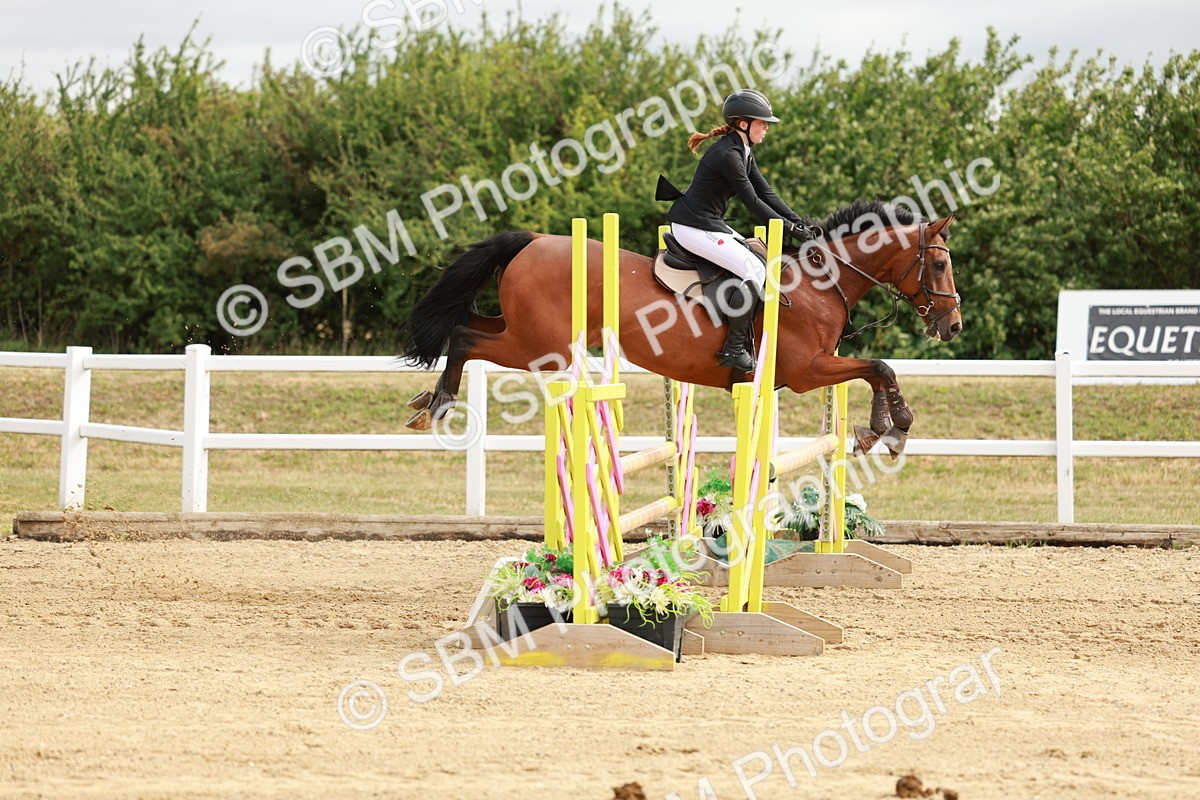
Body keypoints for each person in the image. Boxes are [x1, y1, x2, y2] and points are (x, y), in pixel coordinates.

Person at [664, 88, 813, 372]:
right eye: (762, 123)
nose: (766, 127)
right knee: (753, 269)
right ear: (743, 124)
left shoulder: (743, 150)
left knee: (758, 261)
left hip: (709, 224)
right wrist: (791, 229)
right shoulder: (727, 154)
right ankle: (733, 349)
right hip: (693, 226)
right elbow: (752, 202)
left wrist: (799, 222)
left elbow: (767, 193)